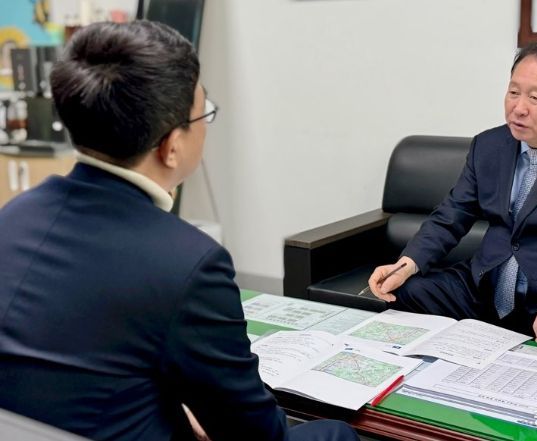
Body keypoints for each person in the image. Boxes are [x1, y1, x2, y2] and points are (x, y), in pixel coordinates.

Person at [0, 21, 359, 441]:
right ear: (171, 147)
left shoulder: (14, 216)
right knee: (334, 433)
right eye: (204, 114)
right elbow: (256, 435)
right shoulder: (187, 262)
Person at [368, 40, 537, 348]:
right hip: (486, 286)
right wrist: (405, 265)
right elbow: (453, 213)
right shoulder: (488, 145)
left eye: (535, 97)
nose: (518, 108)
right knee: (404, 291)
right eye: (513, 92)